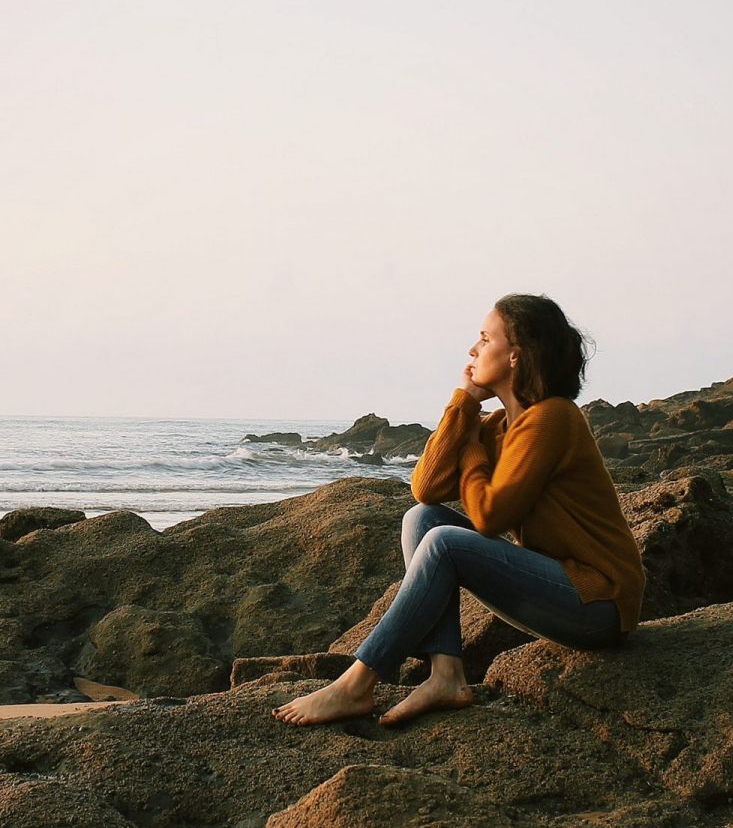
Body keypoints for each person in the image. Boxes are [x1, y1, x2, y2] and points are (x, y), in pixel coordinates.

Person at [274, 293, 645, 726]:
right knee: (423, 519)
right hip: (557, 585)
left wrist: (470, 452)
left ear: (515, 356)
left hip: (598, 602)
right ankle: (446, 672)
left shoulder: (553, 418)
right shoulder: (496, 426)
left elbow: (489, 516)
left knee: (445, 542)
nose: (473, 350)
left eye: (486, 338)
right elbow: (426, 489)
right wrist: (465, 403)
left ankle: (357, 683)